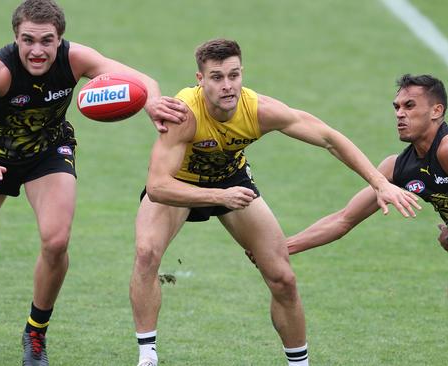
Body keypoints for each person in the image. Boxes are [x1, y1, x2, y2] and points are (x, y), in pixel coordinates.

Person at [0, 1, 187, 365]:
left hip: (49, 152)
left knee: (57, 241)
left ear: (59, 39)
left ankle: (35, 332)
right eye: (28, 40)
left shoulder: (75, 59)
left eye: (47, 40)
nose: (37, 50)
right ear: (16, 38)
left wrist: (151, 101)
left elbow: (142, 81)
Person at [129, 38, 419, 366]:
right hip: (180, 184)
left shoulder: (259, 110)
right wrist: (218, 197)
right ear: (200, 79)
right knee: (146, 253)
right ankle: (147, 356)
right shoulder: (184, 114)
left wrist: (380, 183)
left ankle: (299, 364)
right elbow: (157, 186)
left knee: (283, 277)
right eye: (217, 77)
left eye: (234, 75)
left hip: (230, 180)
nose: (228, 86)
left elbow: (329, 138)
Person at [285, 74, 448, 366]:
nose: (400, 114)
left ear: (436, 111)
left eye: (410, 106)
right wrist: (282, 248)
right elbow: (343, 220)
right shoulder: (398, 167)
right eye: (397, 107)